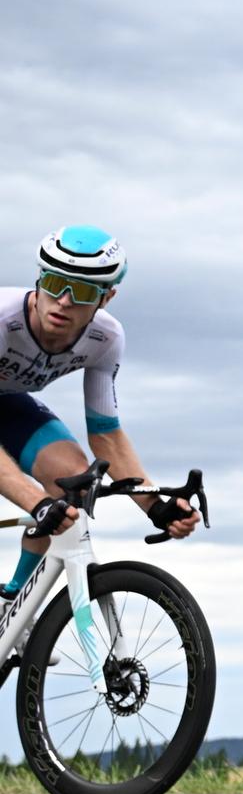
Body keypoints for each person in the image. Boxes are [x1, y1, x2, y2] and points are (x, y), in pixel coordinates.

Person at [1, 228, 199, 607]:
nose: (63, 302)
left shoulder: (105, 339)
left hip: (8, 404)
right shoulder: (3, 319)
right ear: (39, 280)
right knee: (45, 504)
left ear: (106, 298)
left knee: (71, 479)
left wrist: (154, 505)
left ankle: (11, 603)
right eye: (55, 284)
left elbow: (106, 435)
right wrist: (36, 503)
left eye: (82, 291)